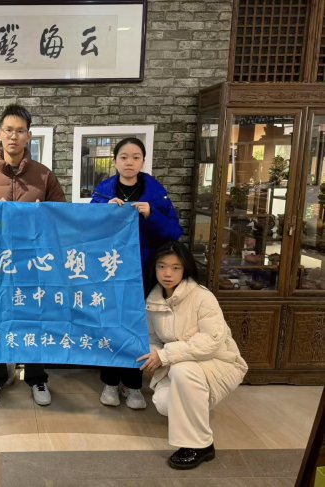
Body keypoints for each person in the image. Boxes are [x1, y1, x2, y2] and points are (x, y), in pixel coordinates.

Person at [0, 103, 66, 408]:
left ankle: (37, 377)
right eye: (8, 130)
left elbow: (62, 216)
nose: (13, 136)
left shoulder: (44, 176)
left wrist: (42, 218)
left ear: (28, 136)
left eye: (20, 131)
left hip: (34, 265)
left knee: (34, 320)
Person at [90, 137, 183, 409]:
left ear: (143, 161)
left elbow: (174, 232)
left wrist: (151, 213)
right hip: (110, 272)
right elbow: (87, 231)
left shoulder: (156, 194)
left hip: (144, 272)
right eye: (123, 157)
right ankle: (109, 382)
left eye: (135, 157)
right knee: (110, 324)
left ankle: (133, 385)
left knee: (137, 326)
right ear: (115, 161)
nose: (129, 162)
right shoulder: (102, 194)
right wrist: (104, 214)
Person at [138, 242, 248, 469]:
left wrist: (166, 355)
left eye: (175, 267)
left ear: (185, 268)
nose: (167, 273)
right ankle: (196, 400)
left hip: (220, 362)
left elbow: (211, 342)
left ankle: (200, 445)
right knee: (163, 403)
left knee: (183, 370)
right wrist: (153, 353)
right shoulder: (153, 300)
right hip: (181, 363)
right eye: (162, 266)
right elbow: (153, 338)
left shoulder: (202, 297)